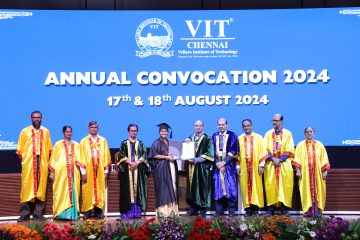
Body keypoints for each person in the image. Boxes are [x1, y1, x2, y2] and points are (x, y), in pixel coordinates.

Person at [16, 111, 52, 222]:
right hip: (29, 162)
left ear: (42, 118)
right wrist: (27, 160)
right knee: (27, 187)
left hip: (42, 161)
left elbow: (49, 149)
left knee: (41, 187)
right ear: (31, 119)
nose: (37, 119)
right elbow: (19, 150)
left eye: (39, 117)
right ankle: (24, 214)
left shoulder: (46, 131)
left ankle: (38, 214)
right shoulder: (24, 131)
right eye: (34, 117)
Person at [293, 127, 330, 217]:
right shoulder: (300, 145)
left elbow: (324, 158)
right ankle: (308, 210)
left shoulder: (319, 145)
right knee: (306, 191)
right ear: (305, 134)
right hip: (305, 174)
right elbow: (297, 158)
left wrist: (325, 171)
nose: (309, 133)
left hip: (317, 173)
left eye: (311, 131)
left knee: (318, 190)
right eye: (307, 132)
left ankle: (318, 211)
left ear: (314, 133)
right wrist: (298, 171)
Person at [78, 121, 111, 219]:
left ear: (98, 128)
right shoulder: (83, 141)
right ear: (88, 128)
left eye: (95, 127)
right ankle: (87, 211)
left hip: (100, 170)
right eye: (91, 127)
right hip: (88, 169)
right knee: (87, 190)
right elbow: (81, 156)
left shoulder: (103, 140)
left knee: (100, 190)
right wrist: (83, 172)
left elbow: (106, 156)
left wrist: (106, 171)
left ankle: (98, 210)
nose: (93, 129)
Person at [263, 114, 295, 216]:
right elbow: (265, 148)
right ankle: (270, 208)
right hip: (271, 164)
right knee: (270, 186)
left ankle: (284, 209)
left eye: (276, 120)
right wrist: (273, 158)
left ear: (281, 122)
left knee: (285, 186)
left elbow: (290, 149)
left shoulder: (288, 133)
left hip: (284, 164)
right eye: (273, 120)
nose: (274, 122)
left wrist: (280, 160)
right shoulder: (268, 134)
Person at [49, 125, 81, 220]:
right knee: (61, 191)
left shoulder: (76, 144)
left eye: (70, 131)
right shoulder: (58, 144)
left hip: (73, 173)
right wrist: (52, 172)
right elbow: (54, 159)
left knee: (73, 192)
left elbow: (80, 158)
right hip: (61, 174)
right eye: (67, 132)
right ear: (63, 133)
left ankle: (72, 215)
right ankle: (61, 213)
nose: (69, 133)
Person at [116, 124, 148, 218]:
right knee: (127, 191)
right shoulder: (124, 143)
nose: (133, 132)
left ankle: (137, 212)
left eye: (135, 130)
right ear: (128, 131)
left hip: (138, 171)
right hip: (127, 171)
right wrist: (131, 163)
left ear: (137, 131)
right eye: (132, 130)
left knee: (137, 191)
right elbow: (121, 156)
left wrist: (136, 163)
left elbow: (144, 156)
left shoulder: (141, 143)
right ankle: (127, 212)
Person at [238, 119, 268, 216]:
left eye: (248, 125)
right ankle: (248, 209)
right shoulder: (239, 138)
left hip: (255, 167)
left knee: (256, 187)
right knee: (245, 187)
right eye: (244, 126)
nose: (246, 127)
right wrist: (237, 166)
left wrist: (261, 165)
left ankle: (255, 209)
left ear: (252, 126)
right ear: (242, 127)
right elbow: (237, 153)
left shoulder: (259, 138)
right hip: (244, 167)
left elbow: (263, 152)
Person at [184, 120, 214, 217]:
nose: (198, 127)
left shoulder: (207, 138)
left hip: (202, 168)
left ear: (203, 127)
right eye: (196, 126)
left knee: (202, 188)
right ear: (194, 127)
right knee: (191, 188)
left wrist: (196, 160)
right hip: (191, 168)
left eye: (200, 126)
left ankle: (202, 210)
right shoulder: (190, 138)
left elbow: (209, 153)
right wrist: (185, 141)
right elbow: (185, 149)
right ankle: (192, 208)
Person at [148, 123, 179, 218]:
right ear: (159, 132)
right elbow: (153, 155)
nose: (164, 133)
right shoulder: (156, 142)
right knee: (162, 188)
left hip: (170, 166)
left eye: (165, 131)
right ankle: (163, 211)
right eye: (162, 131)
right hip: (161, 168)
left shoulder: (169, 142)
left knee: (172, 185)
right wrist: (166, 157)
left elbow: (173, 153)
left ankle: (172, 211)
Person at [212, 118, 239, 217]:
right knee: (218, 188)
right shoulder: (214, 136)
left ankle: (231, 210)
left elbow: (234, 150)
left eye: (223, 124)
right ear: (217, 125)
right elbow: (212, 151)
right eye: (219, 124)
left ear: (226, 125)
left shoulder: (232, 135)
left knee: (230, 187)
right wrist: (218, 163)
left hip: (229, 166)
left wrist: (224, 162)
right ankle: (219, 211)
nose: (221, 126)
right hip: (217, 167)